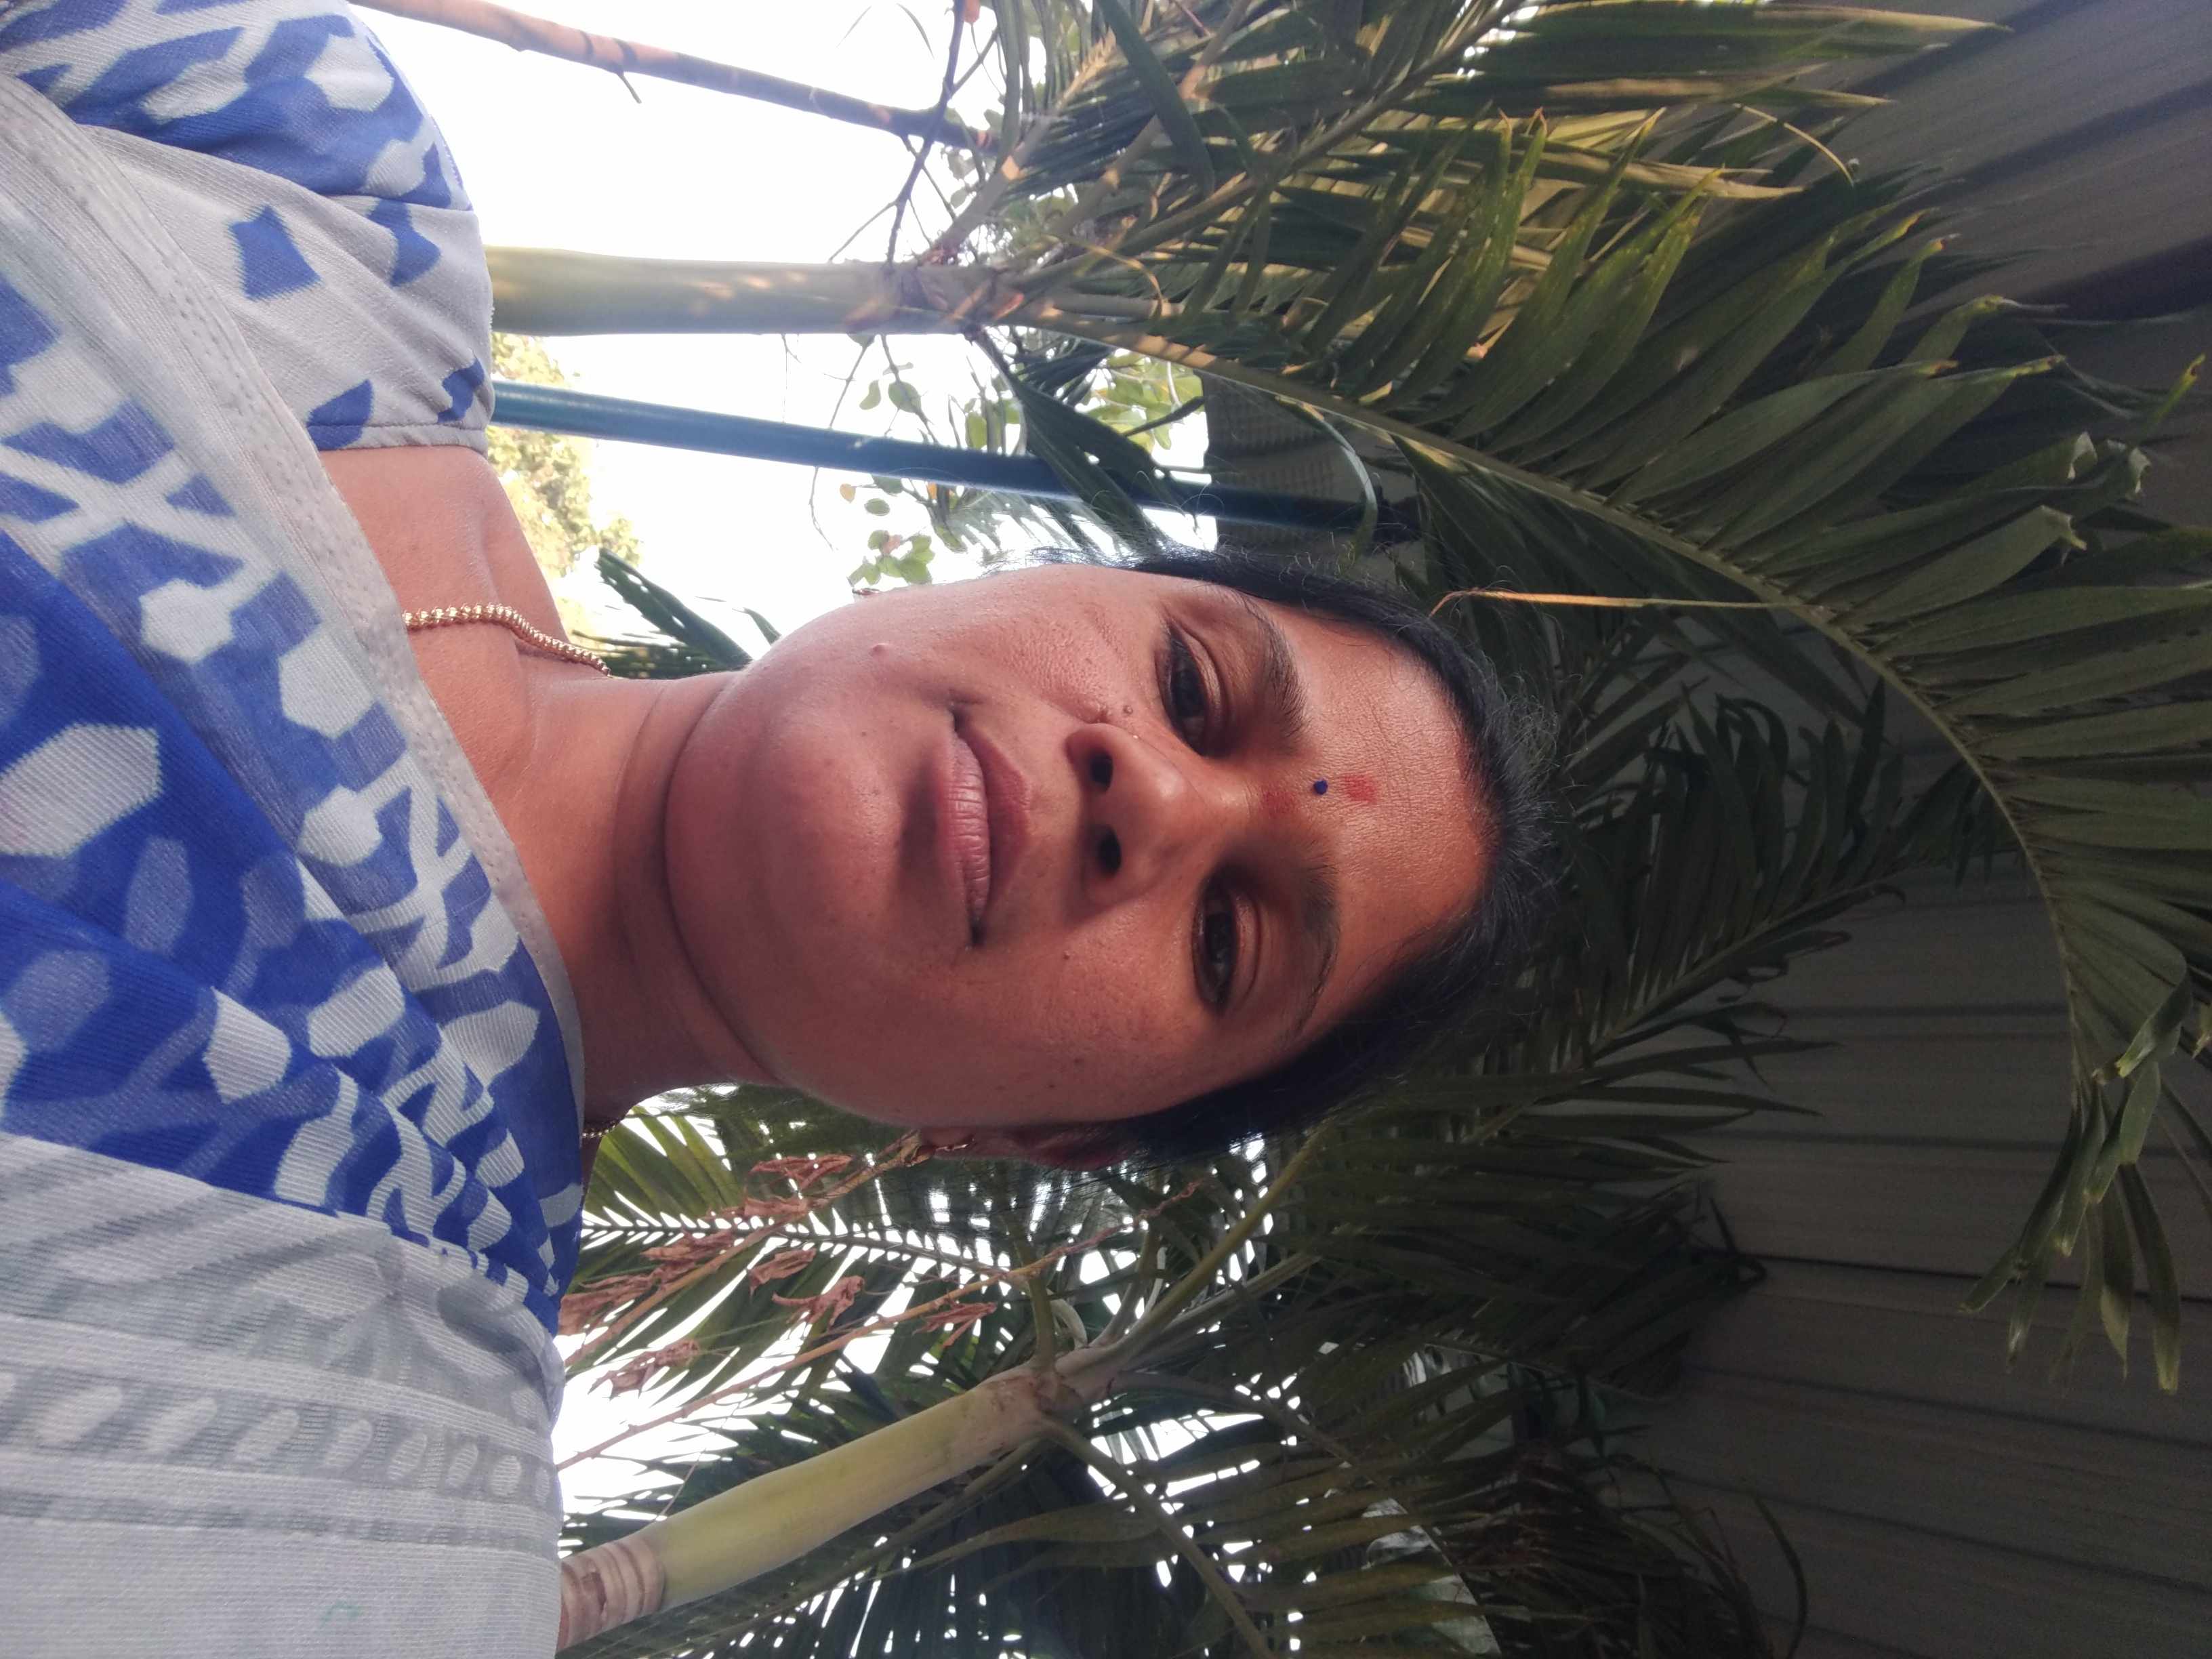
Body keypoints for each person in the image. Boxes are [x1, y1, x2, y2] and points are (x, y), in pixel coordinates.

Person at [0, 2, 1550, 1654]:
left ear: (1051, 1135)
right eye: (1191, 681)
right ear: (1047, 571)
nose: (1155, 799)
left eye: (1229, 939)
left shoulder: (375, 1477)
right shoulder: (323, 180)